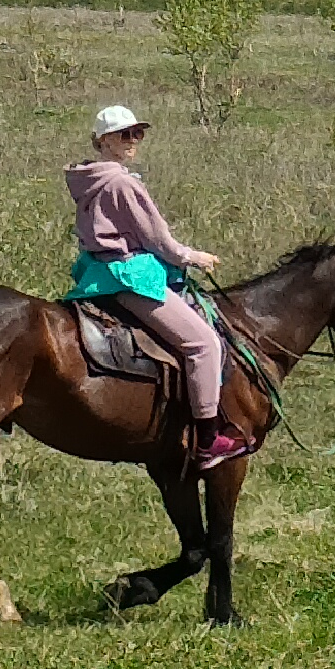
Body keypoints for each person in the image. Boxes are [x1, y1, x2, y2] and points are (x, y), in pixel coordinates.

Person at [62, 103, 253, 472]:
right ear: (102, 141)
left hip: (98, 275)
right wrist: (189, 256)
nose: (133, 140)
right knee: (204, 344)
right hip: (130, 276)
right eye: (124, 134)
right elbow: (157, 239)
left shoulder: (89, 179)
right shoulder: (121, 182)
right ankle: (209, 440)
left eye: (137, 133)